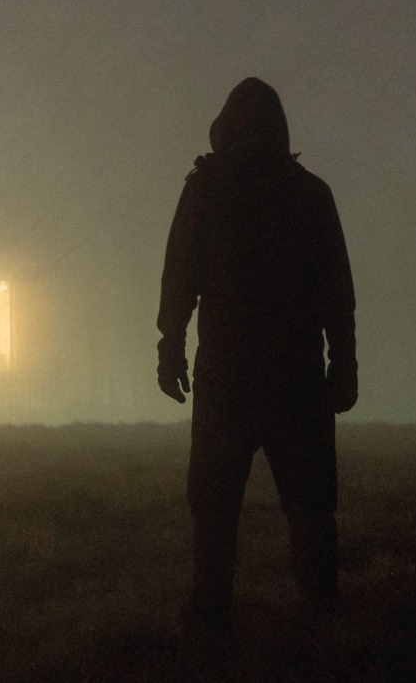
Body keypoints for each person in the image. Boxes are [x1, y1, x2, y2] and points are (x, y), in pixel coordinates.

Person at [157, 77, 358, 630]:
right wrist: (344, 364)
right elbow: (335, 292)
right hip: (297, 375)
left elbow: (181, 278)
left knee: (215, 504)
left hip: (226, 373)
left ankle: (210, 610)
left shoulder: (207, 190)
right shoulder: (310, 195)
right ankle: (320, 612)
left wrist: (170, 347)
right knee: (311, 502)